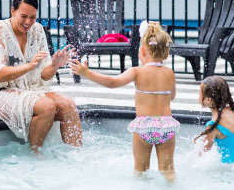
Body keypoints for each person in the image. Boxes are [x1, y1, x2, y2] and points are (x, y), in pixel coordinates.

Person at [70, 20, 179, 181]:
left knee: (141, 171)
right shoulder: (170, 73)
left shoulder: (137, 71)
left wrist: (88, 74)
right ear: (166, 54)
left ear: (142, 51)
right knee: (168, 171)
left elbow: (113, 83)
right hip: (166, 126)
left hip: (144, 127)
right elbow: (171, 96)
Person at [0, 0, 82, 152]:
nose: (28, 22)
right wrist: (29, 66)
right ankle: (35, 156)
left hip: (31, 89)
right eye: (23, 16)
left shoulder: (38, 30)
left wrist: (55, 65)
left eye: (33, 17)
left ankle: (77, 157)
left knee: (68, 105)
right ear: (12, 11)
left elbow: (44, 75)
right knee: (46, 106)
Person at [194, 76, 234, 164]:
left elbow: (203, 153)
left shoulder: (213, 125)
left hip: (230, 170)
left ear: (208, 100)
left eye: (199, 93)